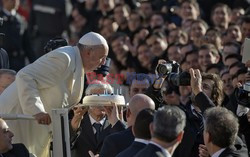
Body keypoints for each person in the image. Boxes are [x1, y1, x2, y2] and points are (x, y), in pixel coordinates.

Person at [0, 32, 109, 157]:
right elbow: (25, 76)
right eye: (102, 57)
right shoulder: (64, 58)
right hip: (17, 121)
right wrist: (36, 110)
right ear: (89, 52)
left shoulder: (77, 64)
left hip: (36, 129)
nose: (103, 62)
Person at [70, 81, 125, 157]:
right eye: (95, 98)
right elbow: (65, 146)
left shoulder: (116, 124)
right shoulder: (77, 122)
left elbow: (124, 146)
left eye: (104, 98)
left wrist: (118, 123)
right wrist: (73, 128)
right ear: (87, 100)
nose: (99, 103)